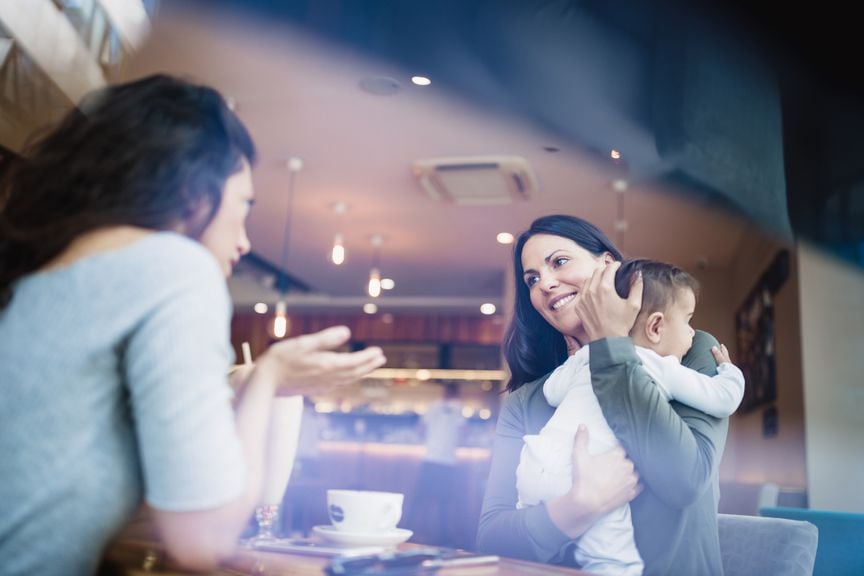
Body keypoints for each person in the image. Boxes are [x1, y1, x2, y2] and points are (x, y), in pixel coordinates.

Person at [0, 74, 386, 576]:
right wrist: (267, 377)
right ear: (192, 189)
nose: (245, 241)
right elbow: (204, 537)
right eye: (244, 206)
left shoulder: (38, 280)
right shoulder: (174, 268)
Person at [476, 214, 730, 575]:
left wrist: (609, 345)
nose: (545, 283)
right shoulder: (528, 400)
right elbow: (492, 539)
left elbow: (684, 481)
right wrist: (578, 507)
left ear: (607, 265)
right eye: (532, 279)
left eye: (559, 262)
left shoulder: (688, 351)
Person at [408, 382, 467, 545]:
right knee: (444, 502)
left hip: (430, 458)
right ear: (456, 393)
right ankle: (443, 537)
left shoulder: (433, 406)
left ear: (444, 392)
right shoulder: (458, 408)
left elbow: (420, 429)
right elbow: (463, 433)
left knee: (419, 499)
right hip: (447, 462)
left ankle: (409, 530)